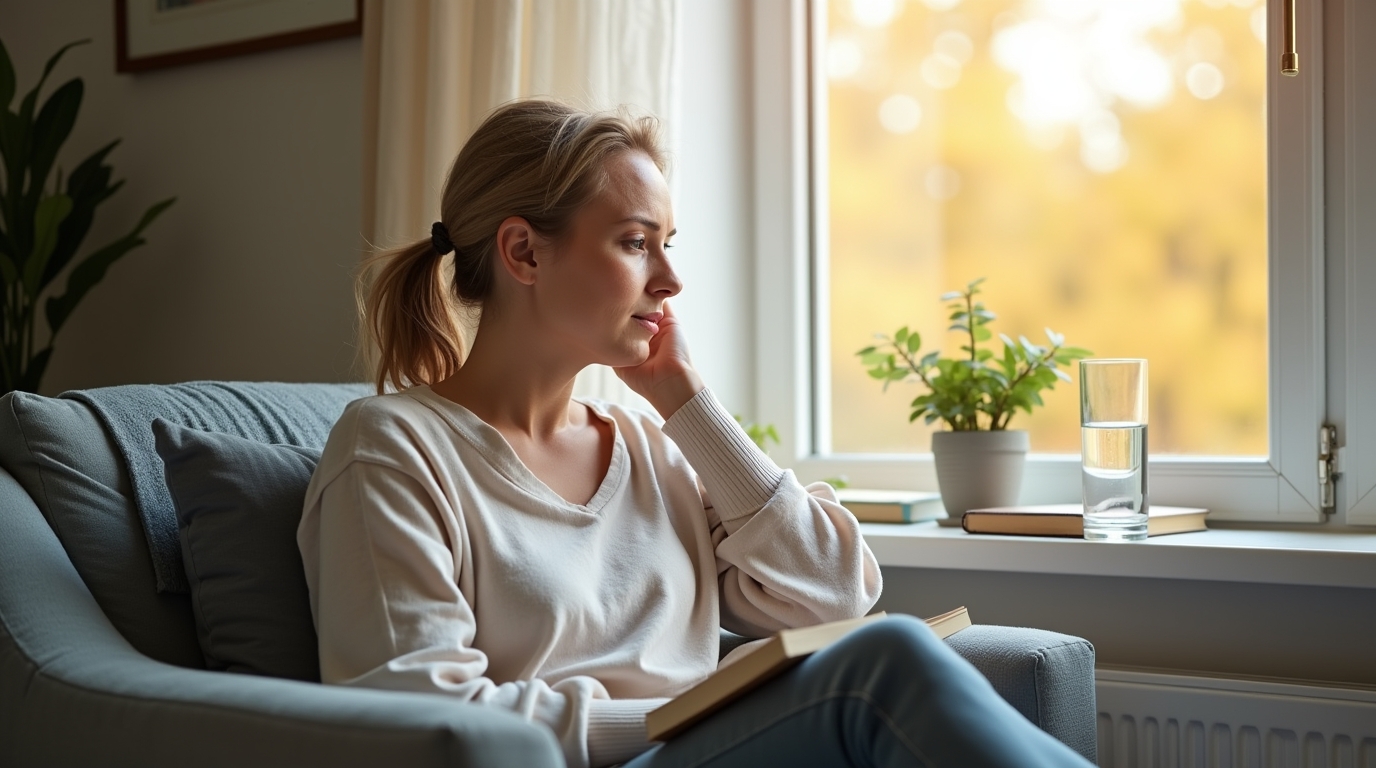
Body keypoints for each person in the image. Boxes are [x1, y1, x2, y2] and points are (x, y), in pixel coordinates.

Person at [298, 98, 1094, 768]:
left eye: (666, 246)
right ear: (523, 251)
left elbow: (837, 593)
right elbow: (417, 714)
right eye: (636, 242)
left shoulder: (650, 449)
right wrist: (685, 709)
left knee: (883, 648)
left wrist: (688, 404)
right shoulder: (393, 449)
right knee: (883, 665)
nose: (670, 280)